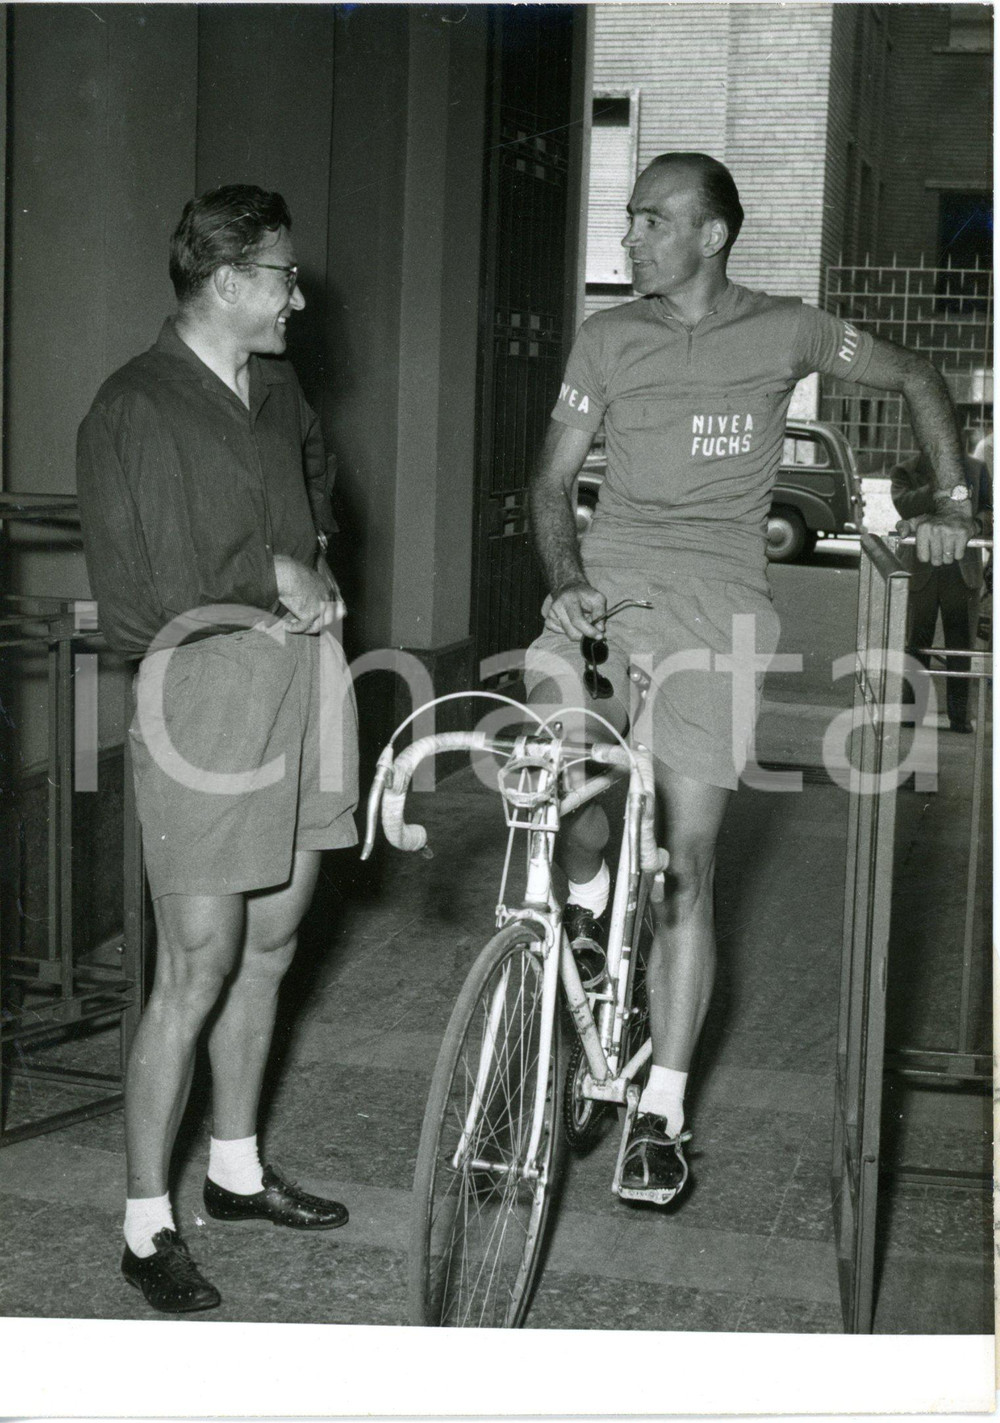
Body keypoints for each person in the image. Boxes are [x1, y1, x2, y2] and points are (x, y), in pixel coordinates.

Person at [526, 152, 976, 1205]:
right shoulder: (608, 337)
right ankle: (588, 914)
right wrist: (569, 579)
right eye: (629, 220)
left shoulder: (788, 329)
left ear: (711, 234)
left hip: (720, 611)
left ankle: (662, 1114)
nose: (629, 238)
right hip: (607, 598)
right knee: (569, 784)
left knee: (687, 866)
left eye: (649, 221)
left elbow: (917, 376)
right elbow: (550, 482)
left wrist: (950, 501)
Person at [77, 185, 359, 1312]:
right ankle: (148, 1222)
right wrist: (265, 580)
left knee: (275, 945)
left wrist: (319, 556)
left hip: (309, 679)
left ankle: (235, 1169)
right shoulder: (132, 407)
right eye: (285, 275)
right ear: (232, 280)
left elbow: (323, 486)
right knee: (195, 965)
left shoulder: (279, 385)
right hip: (202, 687)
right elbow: (138, 602)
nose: (299, 293)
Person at [891, 449, 991, 732]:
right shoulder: (905, 470)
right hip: (921, 571)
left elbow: (990, 511)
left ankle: (960, 717)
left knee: (962, 647)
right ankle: (911, 713)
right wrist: (941, 487)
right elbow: (905, 506)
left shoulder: (976, 468)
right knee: (915, 643)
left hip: (962, 572)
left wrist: (975, 524)